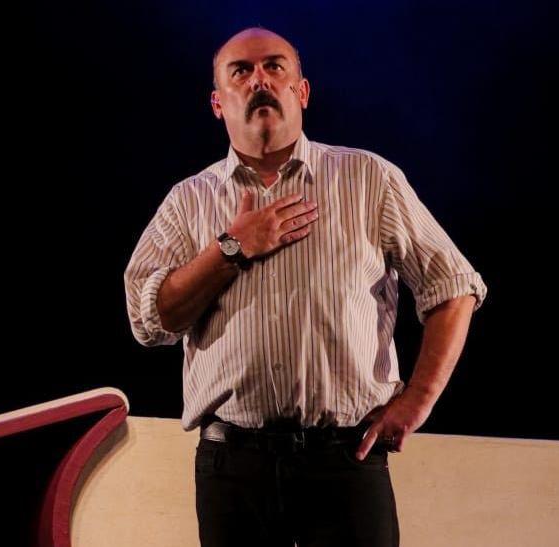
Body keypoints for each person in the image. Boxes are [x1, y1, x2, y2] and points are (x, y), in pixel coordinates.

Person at [124, 27, 487, 547]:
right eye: (241, 71)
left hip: (345, 460)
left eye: (275, 67)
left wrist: (418, 399)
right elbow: (148, 319)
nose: (259, 81)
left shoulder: (367, 178)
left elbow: (453, 285)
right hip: (232, 466)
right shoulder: (187, 202)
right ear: (217, 103)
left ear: (302, 92)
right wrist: (230, 249)